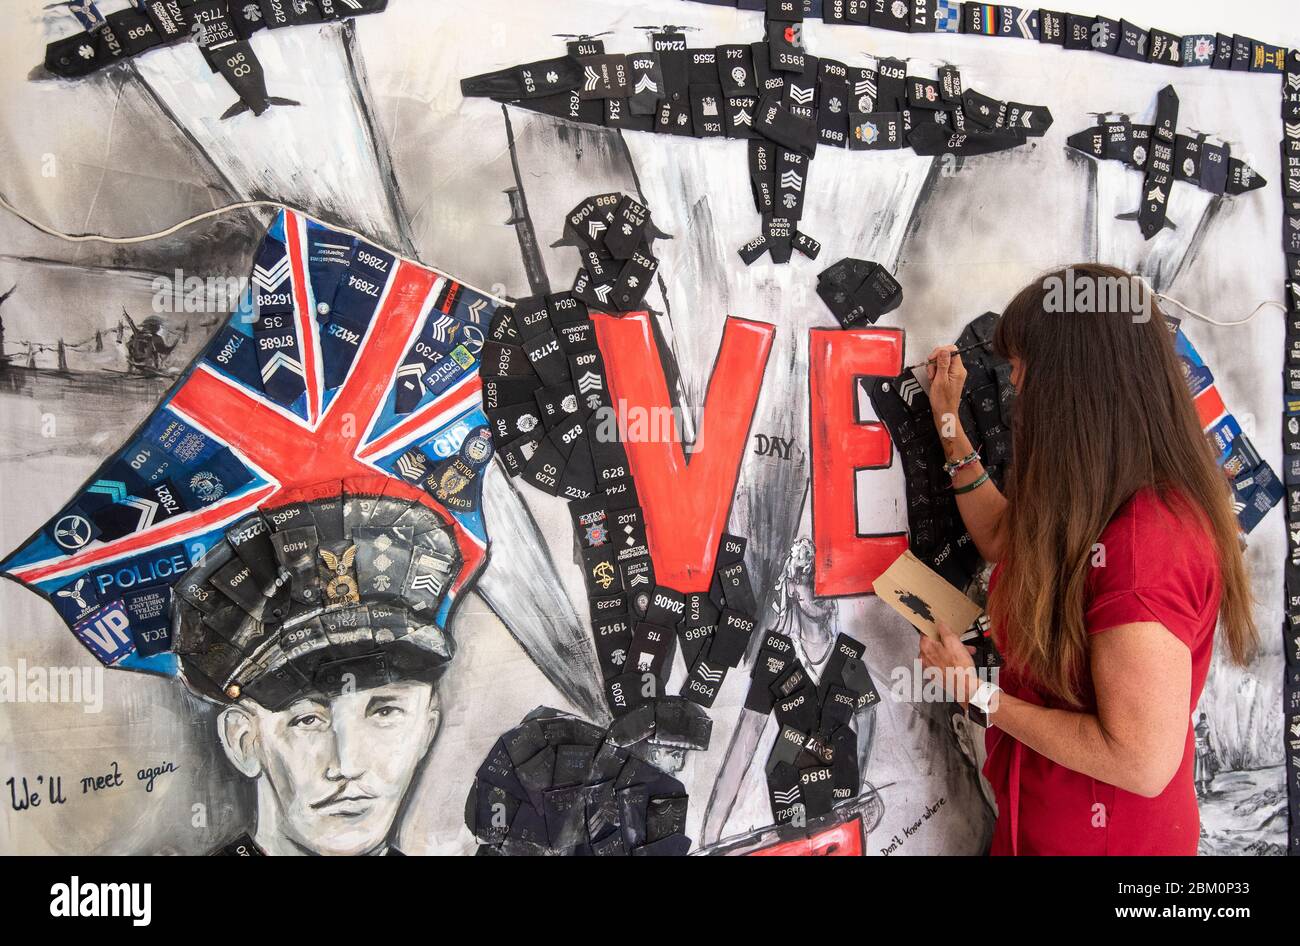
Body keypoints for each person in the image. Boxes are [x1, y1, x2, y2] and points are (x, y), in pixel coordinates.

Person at [915, 263, 1256, 855]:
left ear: (1075, 386)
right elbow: (1003, 535)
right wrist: (949, 422)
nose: (1016, 395)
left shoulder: (1148, 543)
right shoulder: (1102, 495)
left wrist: (979, 695)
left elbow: (1140, 761)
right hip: (1045, 827)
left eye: (1022, 375)